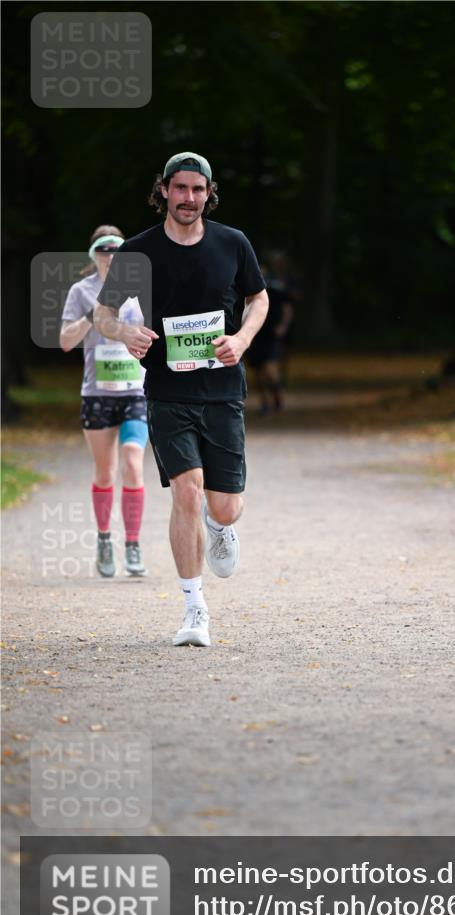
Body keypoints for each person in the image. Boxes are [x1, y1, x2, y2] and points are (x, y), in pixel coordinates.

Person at [94, 152, 269, 647]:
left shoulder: (233, 244)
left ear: (208, 193)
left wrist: (243, 340)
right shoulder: (137, 251)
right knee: (187, 489)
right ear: (164, 191)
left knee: (225, 505)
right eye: (180, 189)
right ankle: (194, 608)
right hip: (168, 391)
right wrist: (124, 330)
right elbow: (103, 315)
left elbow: (258, 299)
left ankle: (221, 525)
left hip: (223, 391)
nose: (188, 198)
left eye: (198, 190)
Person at [60, 225, 149, 578]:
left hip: (135, 390)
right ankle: (103, 540)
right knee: (105, 471)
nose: (111, 256)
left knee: (133, 463)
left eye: (117, 250)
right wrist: (93, 314)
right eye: (104, 250)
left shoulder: (139, 289)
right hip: (97, 393)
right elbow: (65, 341)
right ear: (94, 254)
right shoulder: (81, 291)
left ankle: (132, 544)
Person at [245, 263, 294, 414]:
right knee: (258, 372)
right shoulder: (246, 290)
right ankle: (264, 402)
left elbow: (287, 309)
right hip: (254, 334)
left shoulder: (276, 291)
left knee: (270, 369)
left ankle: (277, 394)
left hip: (271, 335)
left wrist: (282, 327)